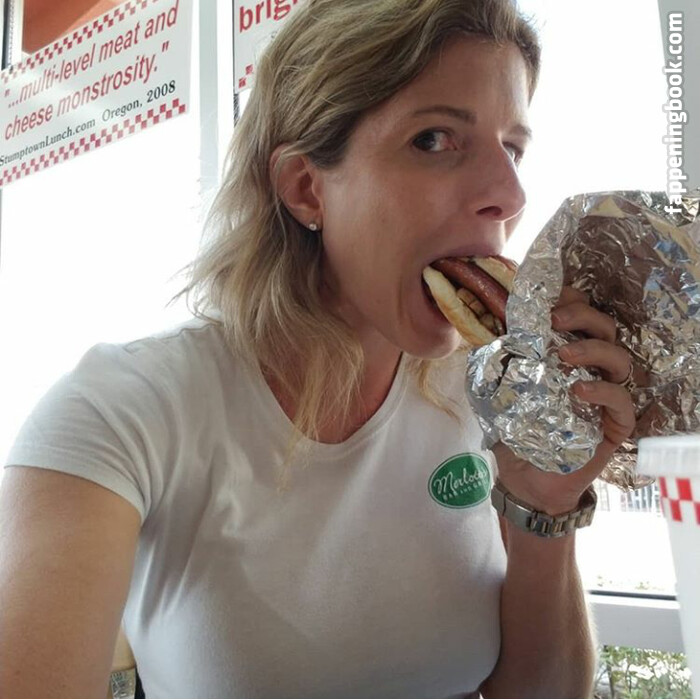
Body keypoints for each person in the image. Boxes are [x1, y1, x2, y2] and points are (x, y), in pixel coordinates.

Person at [0, 0, 637, 697]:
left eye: (512, 148)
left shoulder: (491, 396)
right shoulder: (122, 412)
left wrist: (544, 508)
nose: (509, 195)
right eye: (434, 139)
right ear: (306, 188)